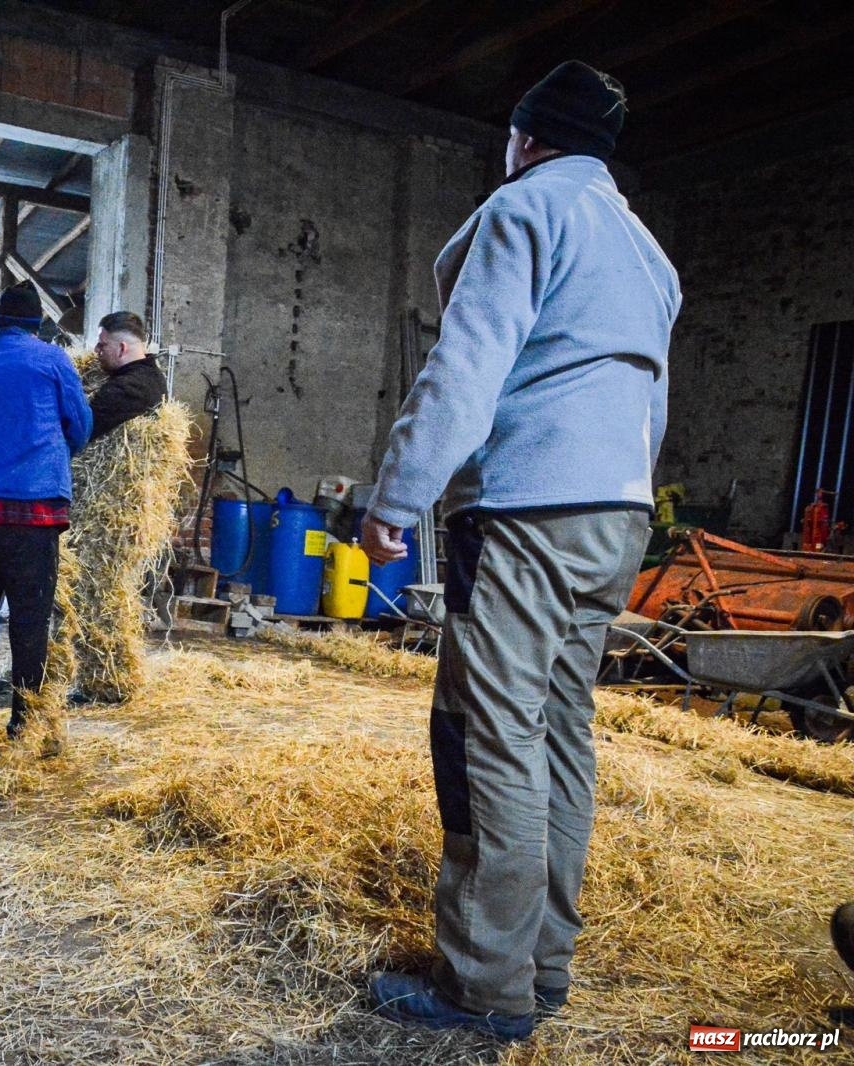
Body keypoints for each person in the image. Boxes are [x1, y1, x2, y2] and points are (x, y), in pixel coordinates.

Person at [362, 61, 680, 1042]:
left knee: (492, 737)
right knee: (558, 735)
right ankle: (542, 967)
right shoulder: (648, 252)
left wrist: (397, 492)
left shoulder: (522, 211)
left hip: (528, 510)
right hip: (615, 516)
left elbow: (467, 362)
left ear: (525, 137)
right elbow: (650, 400)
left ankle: (485, 986)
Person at [0, 283, 92, 758]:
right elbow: (81, 426)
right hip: (33, 512)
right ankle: (24, 727)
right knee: (29, 623)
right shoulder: (53, 361)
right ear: (38, 325)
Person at [88, 311, 166, 440]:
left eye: (102, 345)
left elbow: (79, 430)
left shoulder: (127, 388)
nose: (96, 350)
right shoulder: (154, 376)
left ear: (122, 348)